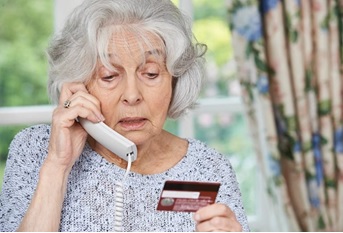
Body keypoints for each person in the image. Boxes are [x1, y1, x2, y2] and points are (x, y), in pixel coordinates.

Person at [0, 0, 250, 231]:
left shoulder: (209, 167)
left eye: (151, 74)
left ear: (175, 80)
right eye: (109, 76)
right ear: (79, 85)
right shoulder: (36, 150)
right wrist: (58, 165)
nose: (132, 95)